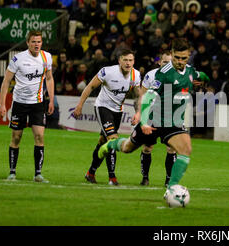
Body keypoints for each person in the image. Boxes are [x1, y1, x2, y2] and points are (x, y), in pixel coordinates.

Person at [97, 38, 210, 196]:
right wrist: (143, 121)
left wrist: (206, 81)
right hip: (153, 120)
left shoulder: (190, 71)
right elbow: (147, 98)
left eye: (183, 58)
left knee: (186, 149)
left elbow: (201, 75)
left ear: (189, 56)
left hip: (173, 122)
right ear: (171, 54)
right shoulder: (163, 74)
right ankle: (109, 145)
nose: (179, 61)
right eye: (176, 57)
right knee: (128, 148)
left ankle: (171, 188)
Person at [74, 49, 141, 185]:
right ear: (119, 61)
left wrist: (138, 112)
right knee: (112, 140)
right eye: (125, 60)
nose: (128, 63)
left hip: (118, 111)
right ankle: (112, 178)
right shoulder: (108, 72)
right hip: (102, 107)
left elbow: (138, 96)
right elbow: (90, 86)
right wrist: (80, 105)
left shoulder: (136, 75)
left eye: (130, 60)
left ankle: (90, 173)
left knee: (102, 143)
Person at [0, 30, 55, 182]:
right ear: (28, 43)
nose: (37, 44)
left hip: (38, 103)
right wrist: (2, 104)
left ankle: (38, 174)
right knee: (16, 137)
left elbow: (49, 78)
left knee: (39, 136)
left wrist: (51, 100)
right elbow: (6, 81)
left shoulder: (46, 57)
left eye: (39, 41)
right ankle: (12, 172)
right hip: (19, 103)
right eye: (33, 42)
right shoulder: (18, 59)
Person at [132, 50, 176, 186]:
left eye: (170, 62)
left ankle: (169, 180)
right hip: (151, 117)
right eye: (165, 62)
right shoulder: (151, 75)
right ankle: (145, 178)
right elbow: (143, 95)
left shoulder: (177, 76)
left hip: (169, 116)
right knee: (147, 148)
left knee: (172, 148)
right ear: (159, 62)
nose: (167, 64)